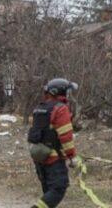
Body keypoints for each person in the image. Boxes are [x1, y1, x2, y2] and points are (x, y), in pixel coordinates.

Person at [27, 78, 78, 208]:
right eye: (67, 92)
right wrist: (72, 156)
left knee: (48, 191)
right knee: (59, 188)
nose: (69, 95)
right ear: (61, 92)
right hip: (54, 158)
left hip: (39, 157)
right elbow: (66, 136)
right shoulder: (61, 109)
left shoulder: (40, 108)